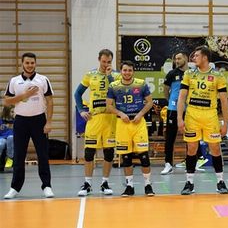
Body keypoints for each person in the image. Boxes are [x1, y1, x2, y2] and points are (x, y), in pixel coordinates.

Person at [177, 46, 228, 195]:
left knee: (215, 148)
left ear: (205, 57)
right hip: (192, 114)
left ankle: (220, 182)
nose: (194, 58)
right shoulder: (189, 74)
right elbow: (181, 97)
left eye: (197, 56)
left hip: (210, 115)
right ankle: (189, 183)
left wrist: (225, 123)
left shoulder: (218, 76)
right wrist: (179, 118)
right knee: (192, 148)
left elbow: (224, 101)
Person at [3, 52, 55, 199]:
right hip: (21, 121)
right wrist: (24, 96)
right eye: (27, 63)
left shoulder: (43, 80)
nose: (30, 65)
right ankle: (15, 187)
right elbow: (6, 102)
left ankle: (47, 186)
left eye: (32, 63)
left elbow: (50, 101)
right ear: (22, 63)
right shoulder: (14, 81)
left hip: (39, 120)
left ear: (35, 63)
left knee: (43, 155)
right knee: (19, 155)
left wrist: (49, 122)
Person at [74, 48, 119, 196]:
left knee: (109, 152)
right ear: (99, 59)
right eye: (104, 61)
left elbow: (117, 93)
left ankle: (105, 183)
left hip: (110, 118)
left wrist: (109, 76)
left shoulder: (117, 75)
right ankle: (87, 183)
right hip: (94, 118)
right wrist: (81, 110)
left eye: (109, 62)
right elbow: (77, 93)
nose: (106, 64)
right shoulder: (90, 74)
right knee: (89, 152)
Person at [106, 61, 154, 196]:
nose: (127, 73)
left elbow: (150, 102)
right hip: (123, 123)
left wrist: (140, 114)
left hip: (138, 122)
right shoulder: (113, 86)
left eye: (130, 70)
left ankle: (148, 185)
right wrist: (120, 114)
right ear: (121, 71)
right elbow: (109, 106)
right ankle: (129, 186)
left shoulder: (141, 84)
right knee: (126, 157)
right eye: (125, 70)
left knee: (143, 155)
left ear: (133, 71)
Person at [161, 51, 189, 174]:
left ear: (186, 59)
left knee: (190, 137)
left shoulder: (192, 73)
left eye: (179, 58)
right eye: (175, 59)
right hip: (173, 110)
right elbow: (165, 90)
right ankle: (168, 164)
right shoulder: (172, 74)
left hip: (189, 110)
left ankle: (190, 162)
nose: (176, 61)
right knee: (170, 137)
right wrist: (172, 102)